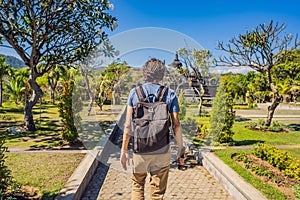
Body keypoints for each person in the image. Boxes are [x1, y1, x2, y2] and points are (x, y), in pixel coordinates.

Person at [120, 58, 185, 200]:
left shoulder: (134, 93)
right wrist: (181, 149)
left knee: (137, 184)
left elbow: (127, 125)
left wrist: (124, 150)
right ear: (162, 74)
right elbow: (176, 124)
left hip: (140, 150)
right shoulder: (170, 94)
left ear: (145, 74)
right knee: (157, 192)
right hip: (162, 149)